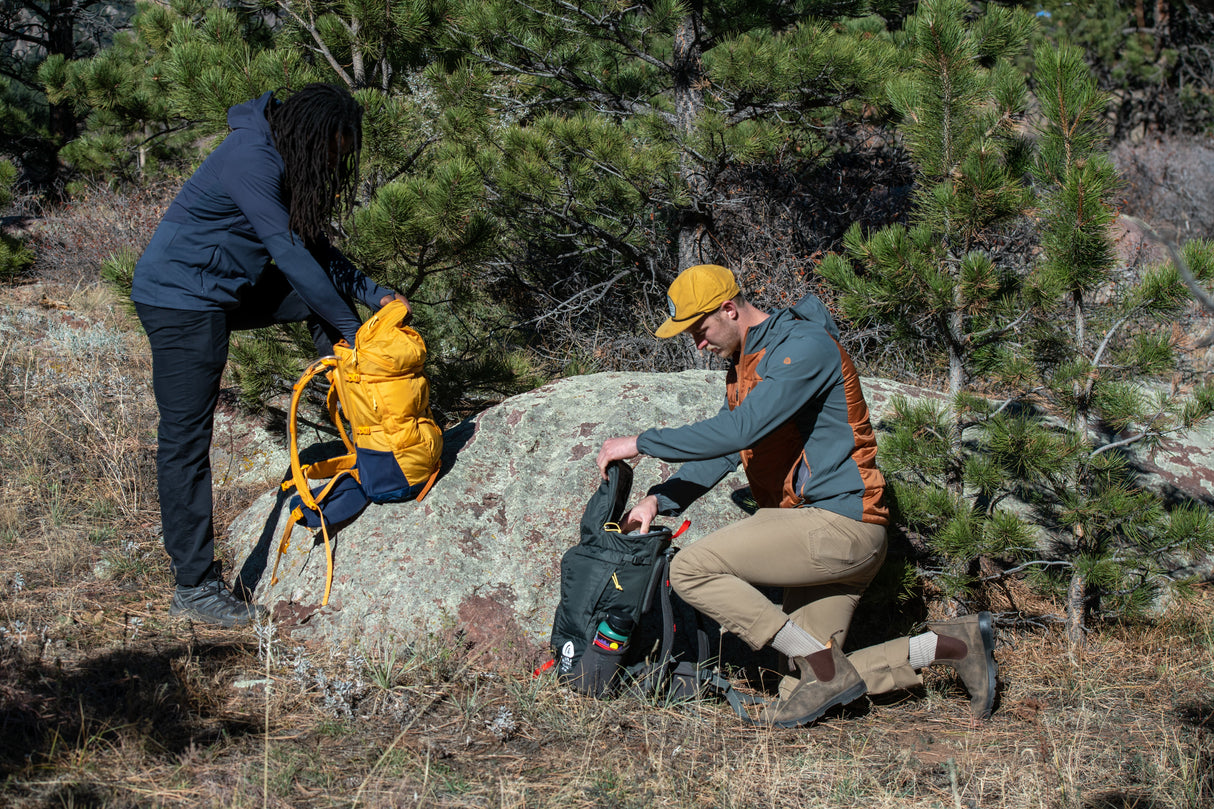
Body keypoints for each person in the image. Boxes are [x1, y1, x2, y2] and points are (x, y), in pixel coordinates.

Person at [596, 264, 997, 727]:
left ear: (729, 309)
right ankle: (954, 646)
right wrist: (658, 500)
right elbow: (730, 450)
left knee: (690, 569)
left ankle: (823, 666)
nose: (698, 345)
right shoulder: (746, 364)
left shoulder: (804, 347)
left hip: (840, 525)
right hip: (818, 534)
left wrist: (641, 442)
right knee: (803, 684)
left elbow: (740, 430)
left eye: (699, 330)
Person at [132, 83, 409, 627]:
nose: (334, 163)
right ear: (310, 135)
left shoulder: (282, 151)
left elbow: (314, 247)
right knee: (186, 441)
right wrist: (352, 329)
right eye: (333, 150)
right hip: (180, 299)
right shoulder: (251, 157)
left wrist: (374, 293)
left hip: (223, 286)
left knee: (320, 308)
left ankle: (374, 436)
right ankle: (193, 587)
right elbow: (288, 251)